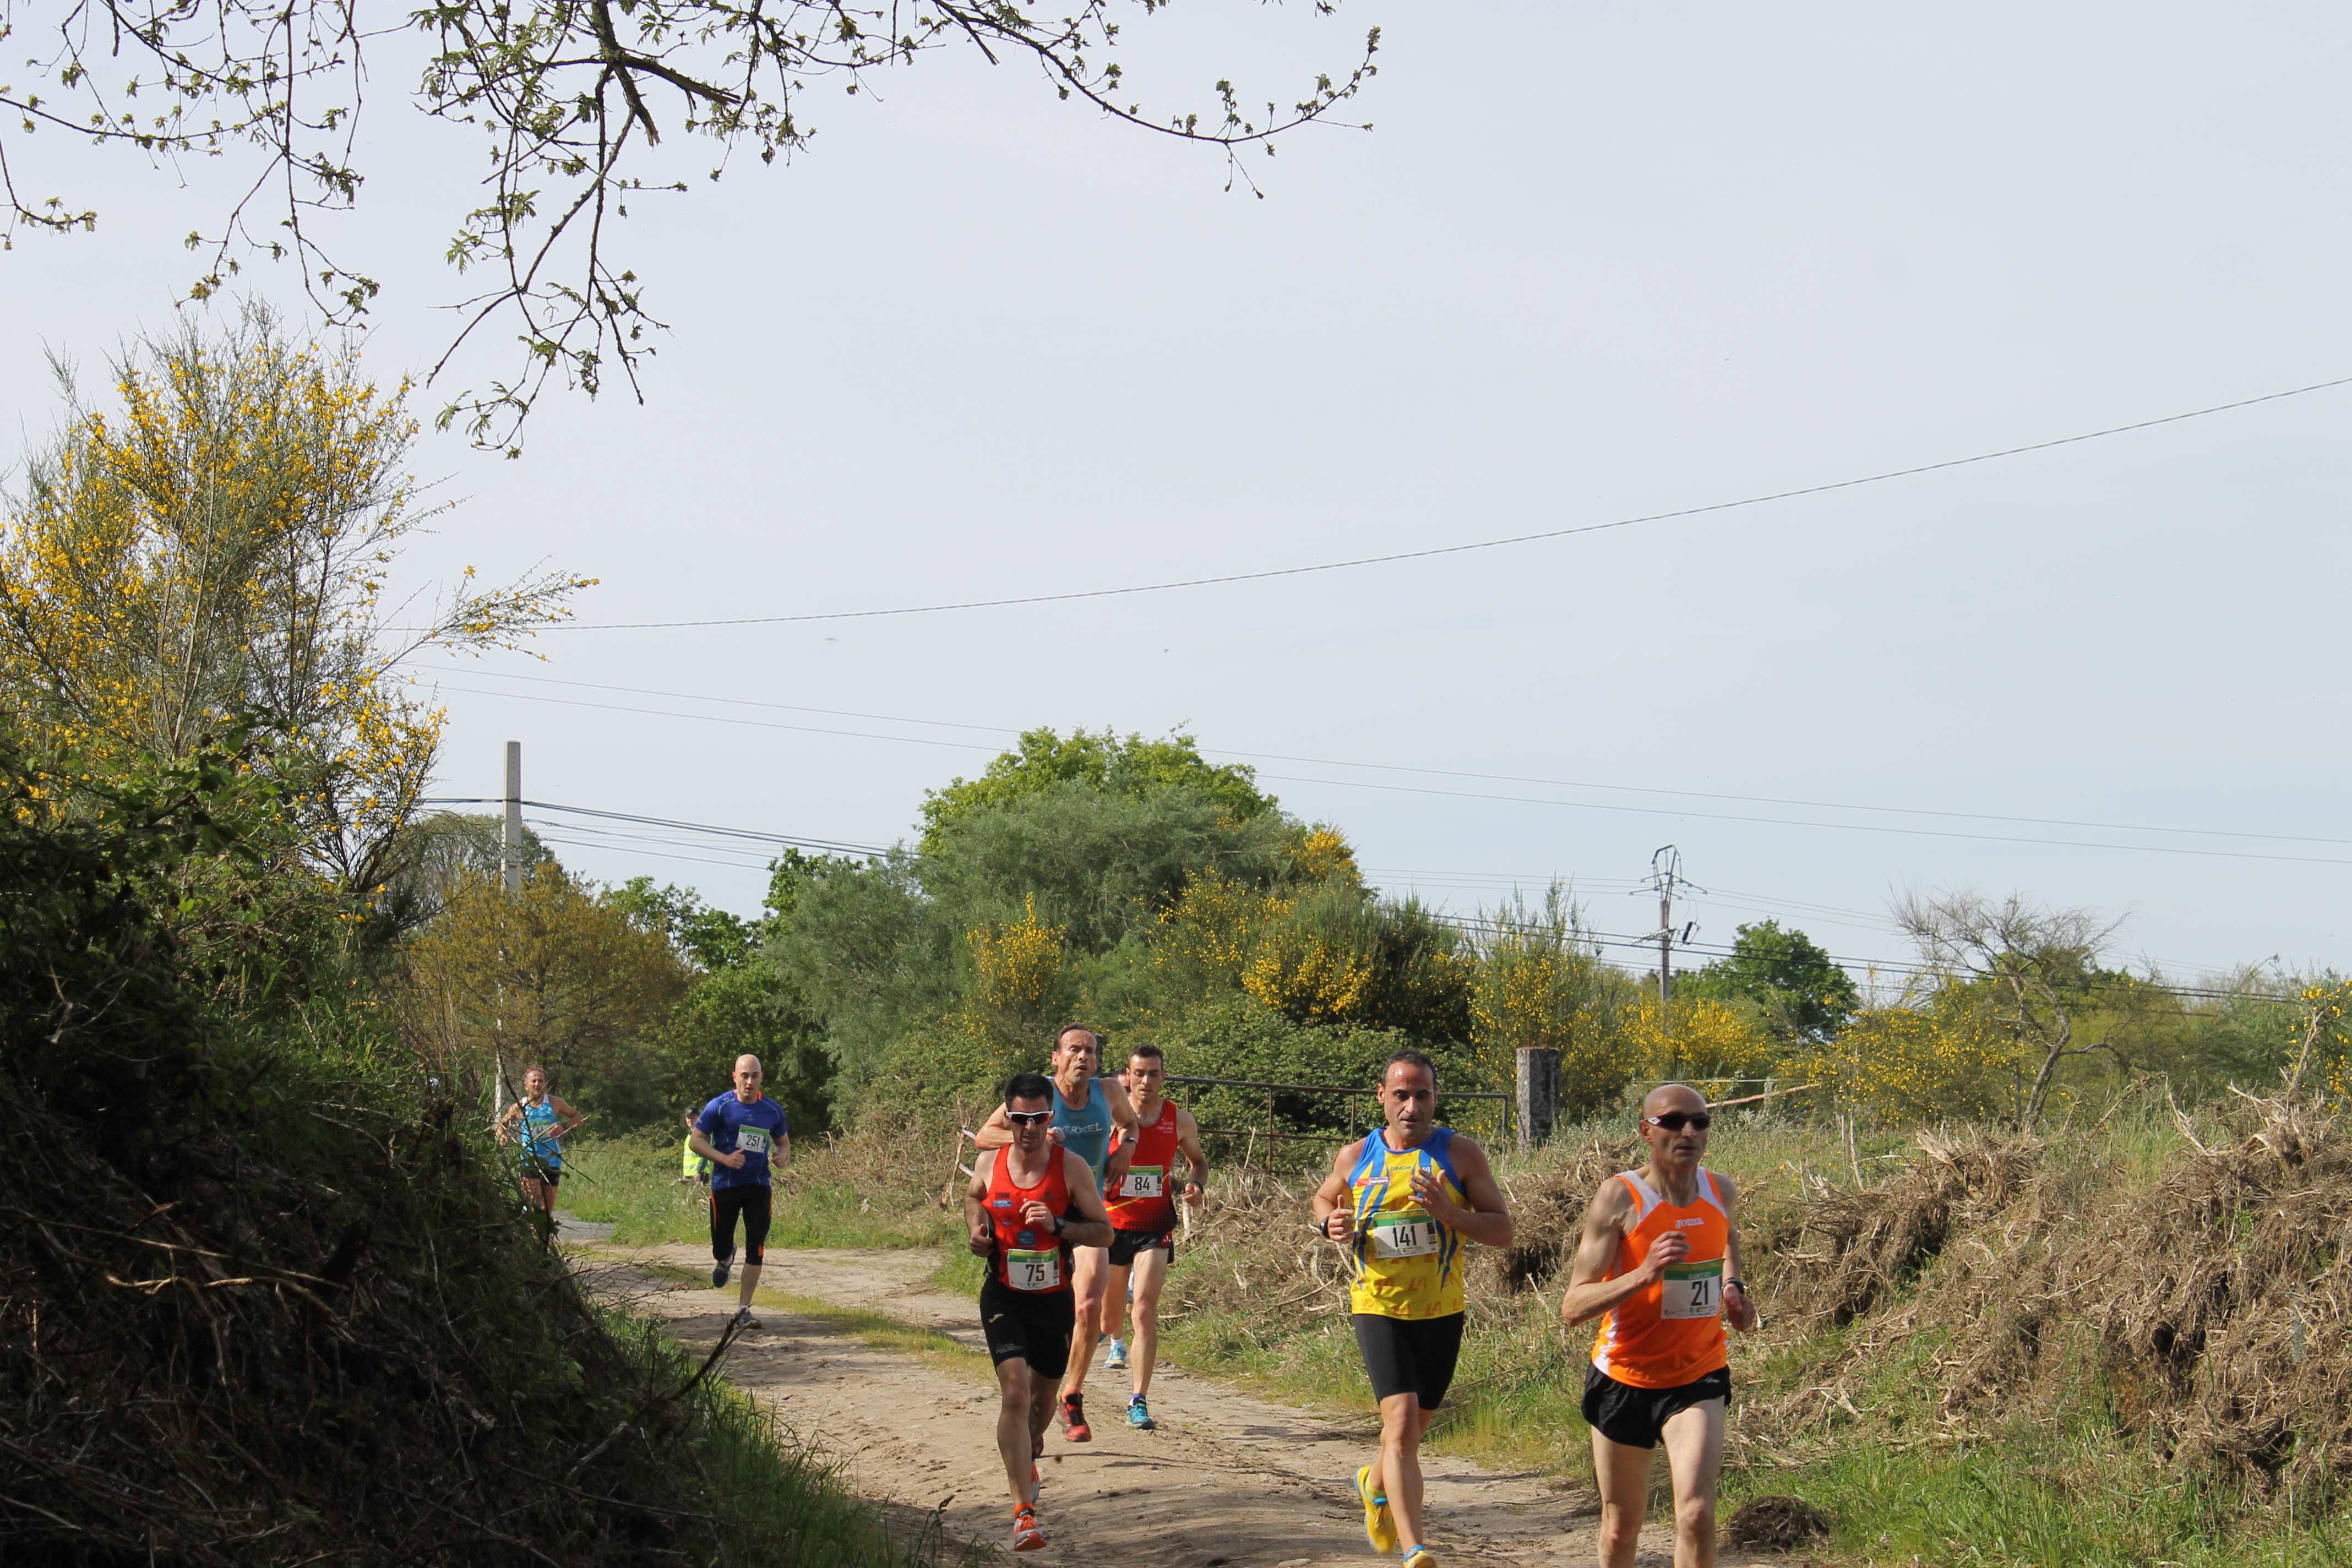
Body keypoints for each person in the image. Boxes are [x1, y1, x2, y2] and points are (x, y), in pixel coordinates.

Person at [1311, 1050, 1513, 1568]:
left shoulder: (1461, 1155)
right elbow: (1324, 1199)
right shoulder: (1356, 1156)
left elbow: (1504, 1231)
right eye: (1401, 1094)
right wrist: (1330, 1224)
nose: (1411, 1105)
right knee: (1400, 1427)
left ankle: (1374, 1483)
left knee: (1411, 1432)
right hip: (1377, 1305)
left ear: (1435, 1098)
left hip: (1441, 1311)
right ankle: (1415, 1549)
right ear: (1381, 1097)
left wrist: (1449, 1213)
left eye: (1422, 1094)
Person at [1559, 1084, 1759, 1568]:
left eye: (1700, 1122)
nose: (1688, 1131)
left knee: (1695, 1513)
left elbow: (1727, 1236)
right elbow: (1573, 1307)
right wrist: (1643, 1273)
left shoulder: (1721, 1191)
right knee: (1622, 1527)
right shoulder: (1619, 1197)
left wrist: (1733, 1286)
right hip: (1624, 1376)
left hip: (1698, 1372)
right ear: (1647, 1131)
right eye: (1673, 1122)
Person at [966, 1072, 1115, 1553]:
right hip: (1004, 1295)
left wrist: (1060, 1225)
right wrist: (977, 1229)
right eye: (1020, 1119)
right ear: (1007, 1119)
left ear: (1050, 1118)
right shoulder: (989, 1163)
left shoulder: (1071, 1168)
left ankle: (1029, 1449)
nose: (1029, 1128)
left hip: (1053, 1301)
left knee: (1041, 1404)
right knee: (1013, 1394)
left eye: (1038, 1118)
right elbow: (974, 1199)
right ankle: (1023, 1514)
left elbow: (1104, 1232)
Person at [973, 1023, 1136, 1441]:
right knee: (1053, 1306)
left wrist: (1125, 1151)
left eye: (1091, 1051)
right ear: (1055, 1058)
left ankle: (1072, 1394)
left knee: (1088, 1307)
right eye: (1073, 1050)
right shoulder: (1039, 1098)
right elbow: (984, 1136)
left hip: (1082, 1215)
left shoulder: (1110, 1092)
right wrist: (1039, 1130)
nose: (1083, 1057)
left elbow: (1130, 1126)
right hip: (1033, 1213)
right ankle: (1035, 1376)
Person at [1100, 1043, 1207, 1430]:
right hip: (1110, 1226)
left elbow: (1199, 1162)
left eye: (1154, 1073)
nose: (1146, 1081)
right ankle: (1110, 1337)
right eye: (1139, 1073)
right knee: (1111, 1316)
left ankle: (1139, 1400)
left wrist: (1195, 1186)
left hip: (1155, 1226)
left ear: (1164, 1077)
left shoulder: (1179, 1120)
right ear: (1127, 1076)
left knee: (1143, 1310)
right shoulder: (1110, 1113)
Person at [690, 1054, 792, 1331]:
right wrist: (723, 1159)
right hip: (725, 1186)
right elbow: (696, 1141)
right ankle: (725, 1257)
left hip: (758, 1186)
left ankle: (743, 1310)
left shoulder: (772, 1110)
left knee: (756, 1247)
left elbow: (783, 1143)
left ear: (761, 1078)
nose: (749, 1081)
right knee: (720, 1246)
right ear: (735, 1077)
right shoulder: (719, 1107)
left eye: (754, 1076)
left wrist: (782, 1156)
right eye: (744, 1076)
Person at [496, 1064, 584, 1214]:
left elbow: (579, 1118)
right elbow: (500, 1126)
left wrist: (564, 1126)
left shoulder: (555, 1103)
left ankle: (543, 1236)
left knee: (547, 1210)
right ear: (526, 1085)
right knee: (535, 1205)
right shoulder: (519, 1107)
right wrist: (502, 1135)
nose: (537, 1085)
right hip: (528, 1160)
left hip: (552, 1160)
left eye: (541, 1081)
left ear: (545, 1084)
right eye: (534, 1081)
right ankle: (532, 1234)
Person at [680, 1109, 712, 1186]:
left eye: (693, 1118)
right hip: (690, 1175)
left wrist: (699, 1172)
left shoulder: (702, 1134)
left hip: (700, 1175)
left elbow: (705, 1155)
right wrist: (685, 1175)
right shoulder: (689, 1135)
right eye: (688, 1118)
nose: (690, 1120)